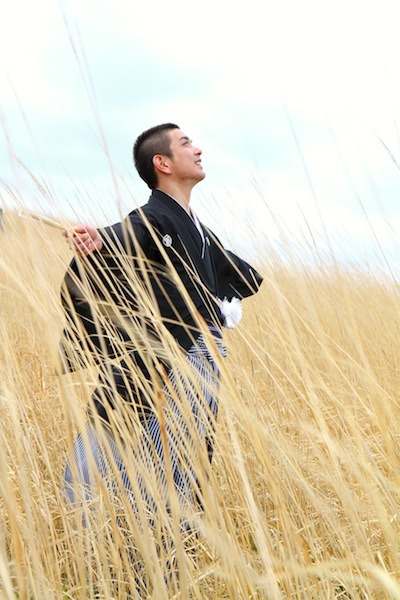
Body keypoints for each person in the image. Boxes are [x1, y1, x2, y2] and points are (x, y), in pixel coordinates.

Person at [61, 123, 263, 539]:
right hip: (158, 357)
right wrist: (100, 239)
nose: (199, 149)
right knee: (96, 463)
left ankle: (154, 556)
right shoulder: (154, 217)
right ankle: (104, 551)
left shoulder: (197, 228)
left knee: (174, 468)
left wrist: (222, 300)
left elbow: (236, 273)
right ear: (163, 163)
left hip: (197, 357)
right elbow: (129, 233)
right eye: (187, 143)